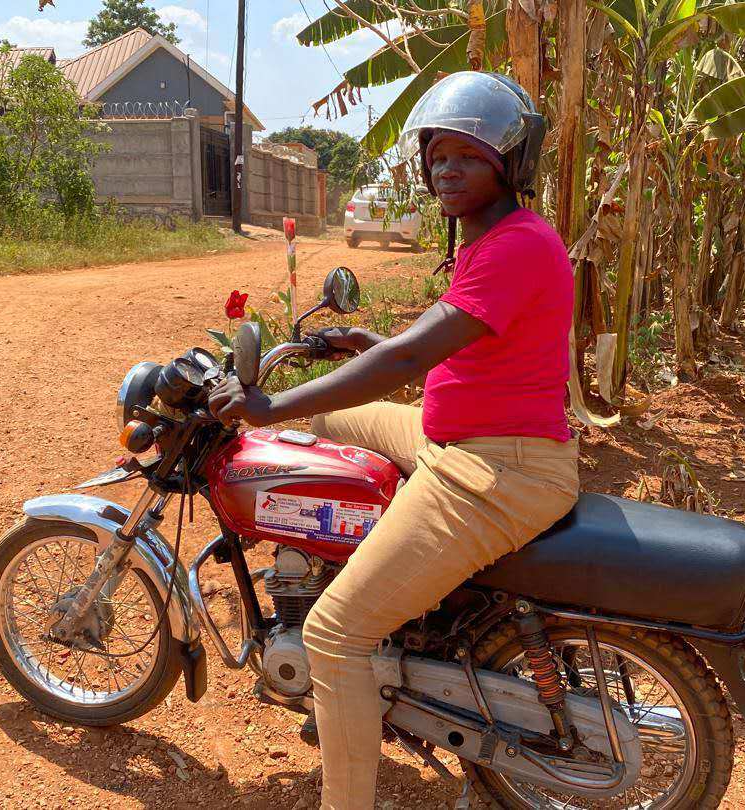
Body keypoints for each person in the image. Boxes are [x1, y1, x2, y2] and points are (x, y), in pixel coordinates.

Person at [208, 71, 579, 810]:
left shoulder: (516, 245)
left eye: (467, 155)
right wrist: (363, 344)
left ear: (508, 165)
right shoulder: (492, 241)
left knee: (337, 634)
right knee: (317, 426)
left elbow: (410, 361)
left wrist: (268, 404)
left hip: (494, 468)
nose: (447, 168)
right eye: (437, 154)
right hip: (460, 435)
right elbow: (453, 345)